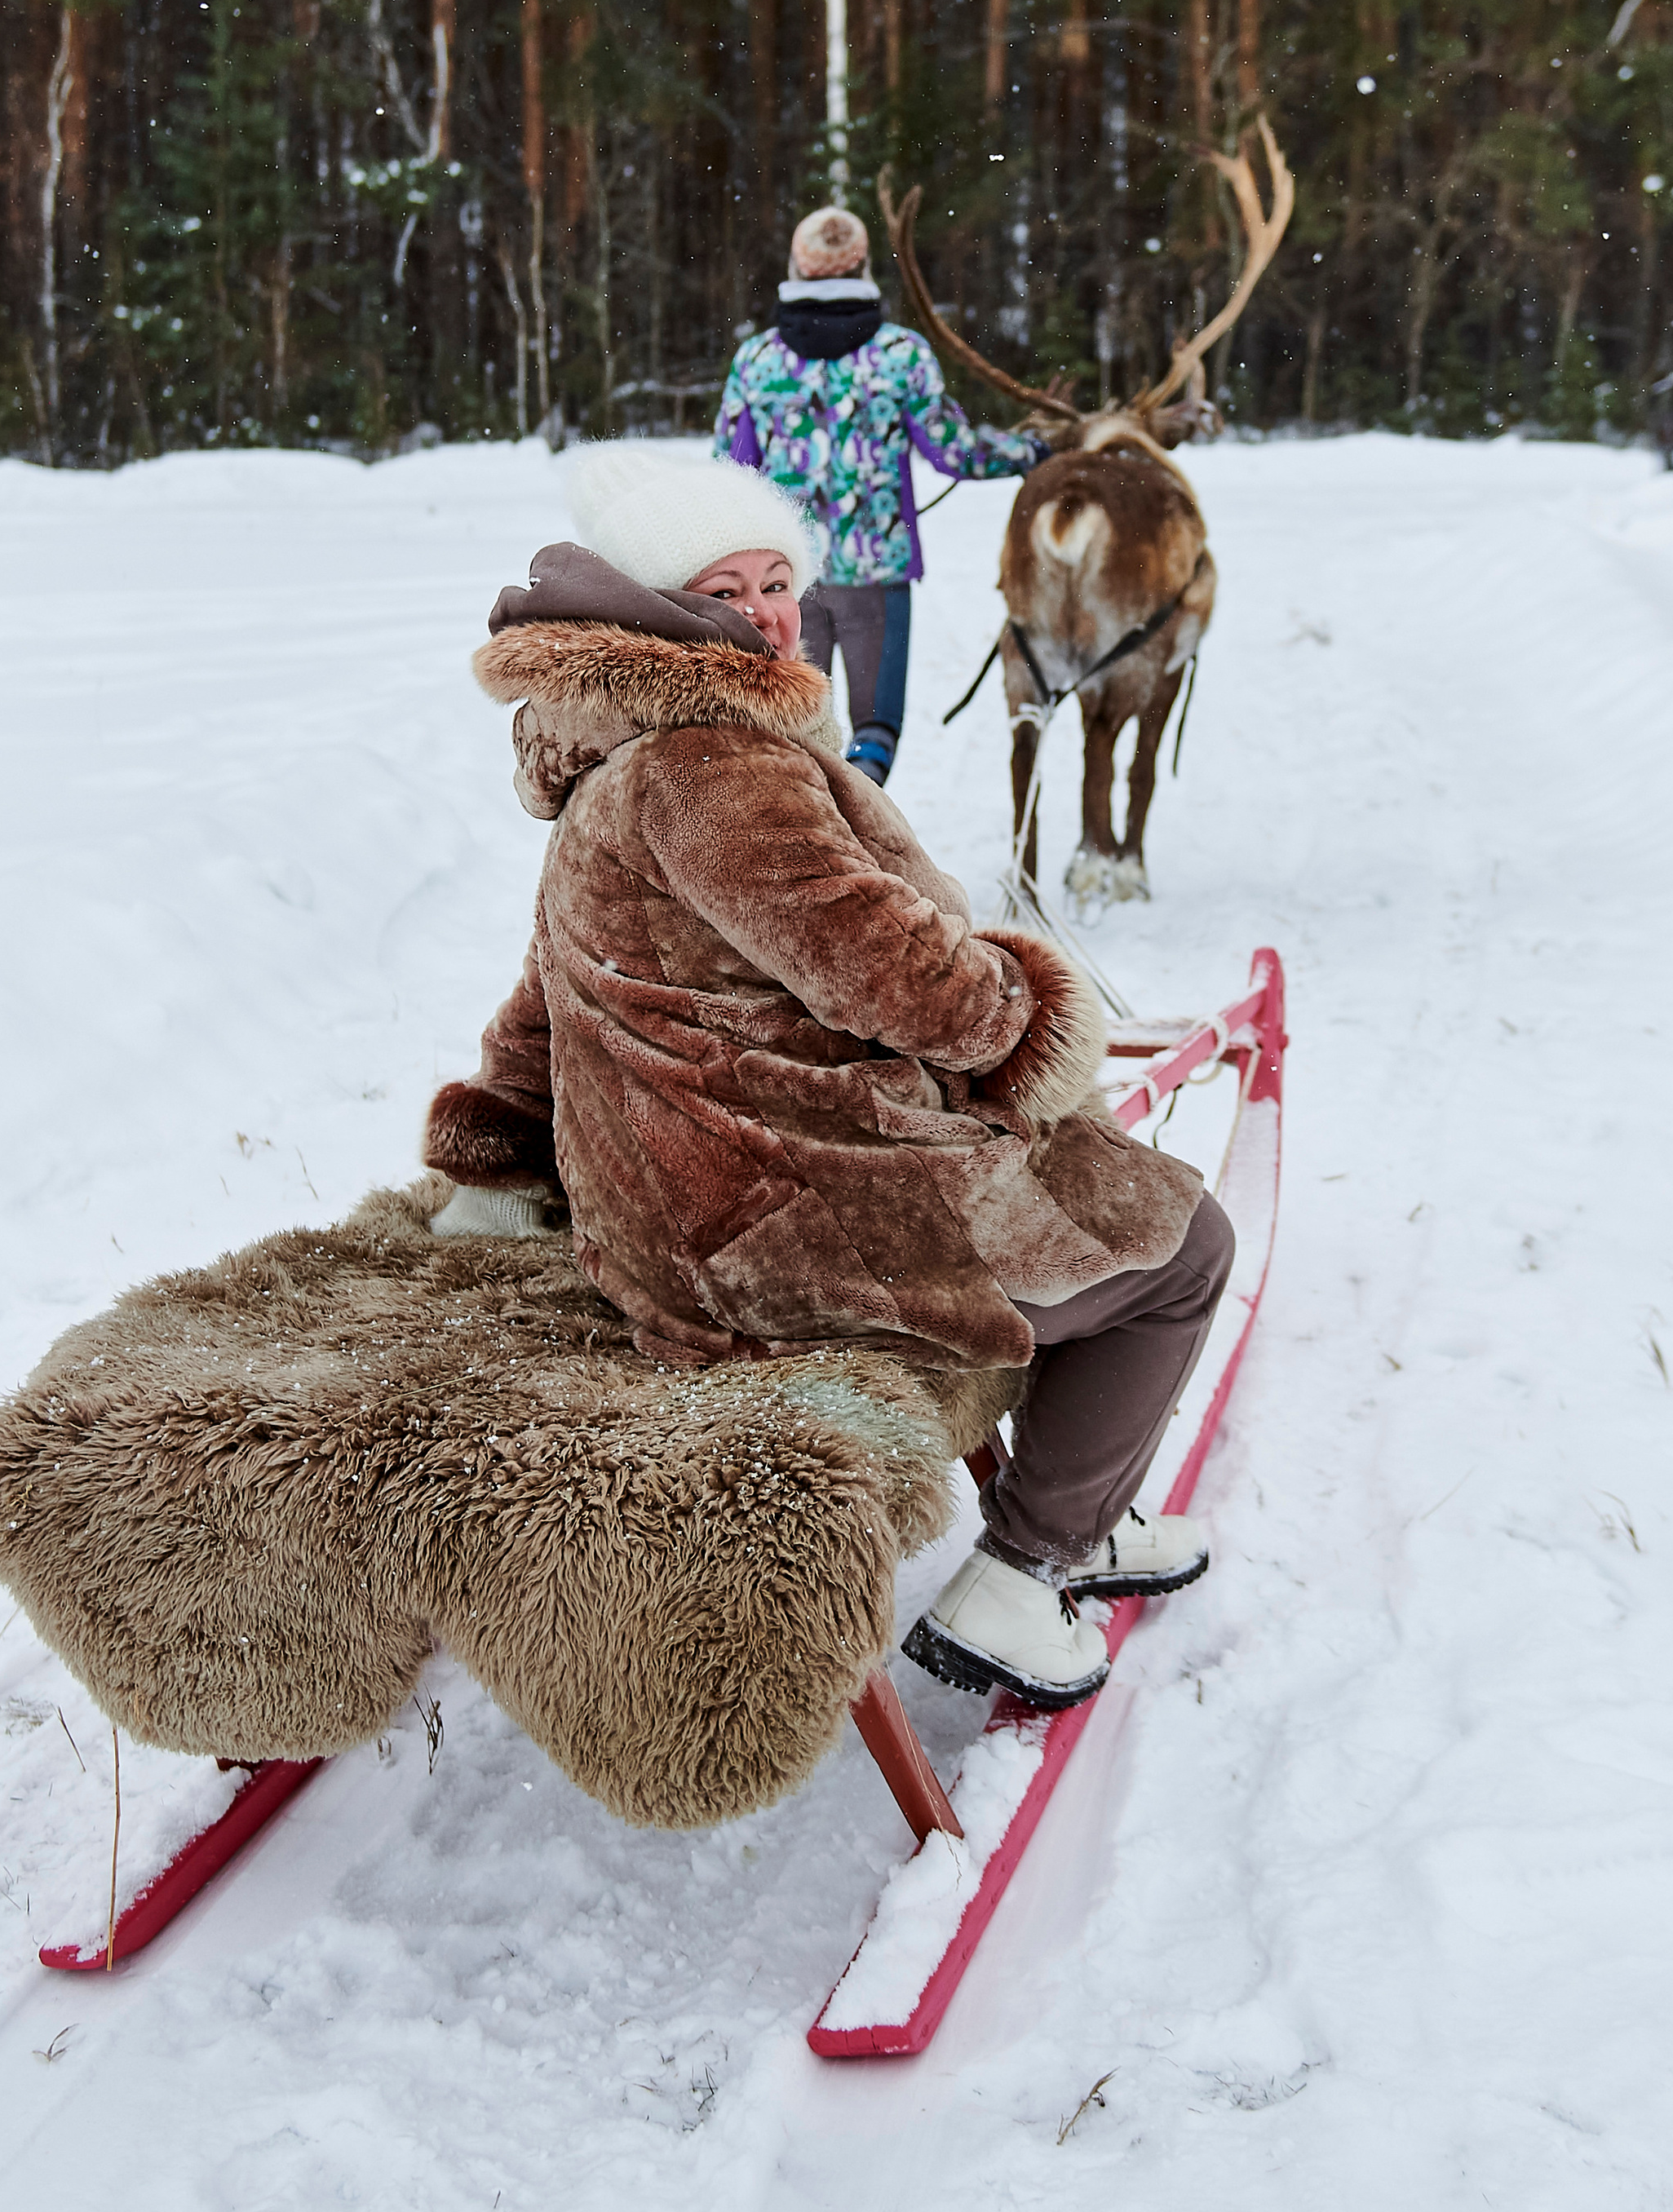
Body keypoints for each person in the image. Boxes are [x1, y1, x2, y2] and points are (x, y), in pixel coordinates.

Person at [423, 445, 1231, 1714]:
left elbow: (542, 1003)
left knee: (1093, 1197)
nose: (764, 614)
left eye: (778, 581)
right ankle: (1029, 1571)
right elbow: (901, 980)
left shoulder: (616, 754)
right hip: (788, 1223)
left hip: (699, 1203)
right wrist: (1029, 1009)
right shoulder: (711, 763)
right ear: (654, 608)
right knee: (1182, 1247)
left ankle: (1088, 1494)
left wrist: (498, 1148)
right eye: (723, 589)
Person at [712, 203, 1042, 786]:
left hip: (786, 581)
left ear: (797, 265)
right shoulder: (902, 356)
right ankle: (858, 817)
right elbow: (955, 451)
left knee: (788, 729)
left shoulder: (759, 361)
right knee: (875, 733)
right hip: (876, 576)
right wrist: (1032, 452)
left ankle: (806, 842)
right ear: (863, 265)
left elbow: (730, 474)